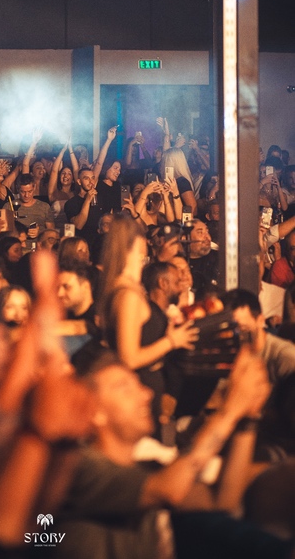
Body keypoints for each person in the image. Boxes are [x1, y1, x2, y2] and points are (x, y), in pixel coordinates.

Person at [56, 348, 274, 559]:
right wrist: (229, 410)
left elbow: (222, 500)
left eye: (138, 384)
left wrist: (247, 420)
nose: (146, 394)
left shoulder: (147, 471)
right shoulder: (75, 470)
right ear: (94, 411)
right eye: (125, 388)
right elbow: (170, 490)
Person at [98, 214, 198, 434]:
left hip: (147, 385)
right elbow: (129, 357)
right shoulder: (127, 295)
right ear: (133, 246)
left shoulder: (126, 288)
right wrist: (171, 341)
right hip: (140, 386)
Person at [223, 288, 295, 385]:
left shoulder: (285, 357)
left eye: (242, 328)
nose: (232, 335)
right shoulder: (228, 353)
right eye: (226, 330)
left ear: (260, 321)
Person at [4, 173, 55, 245]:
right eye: (23, 192)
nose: (26, 195)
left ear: (34, 188)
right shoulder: (9, 206)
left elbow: (51, 232)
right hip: (17, 247)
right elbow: (3, 234)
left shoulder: (45, 206)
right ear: (18, 189)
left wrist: (39, 232)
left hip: (39, 248)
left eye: (29, 191)